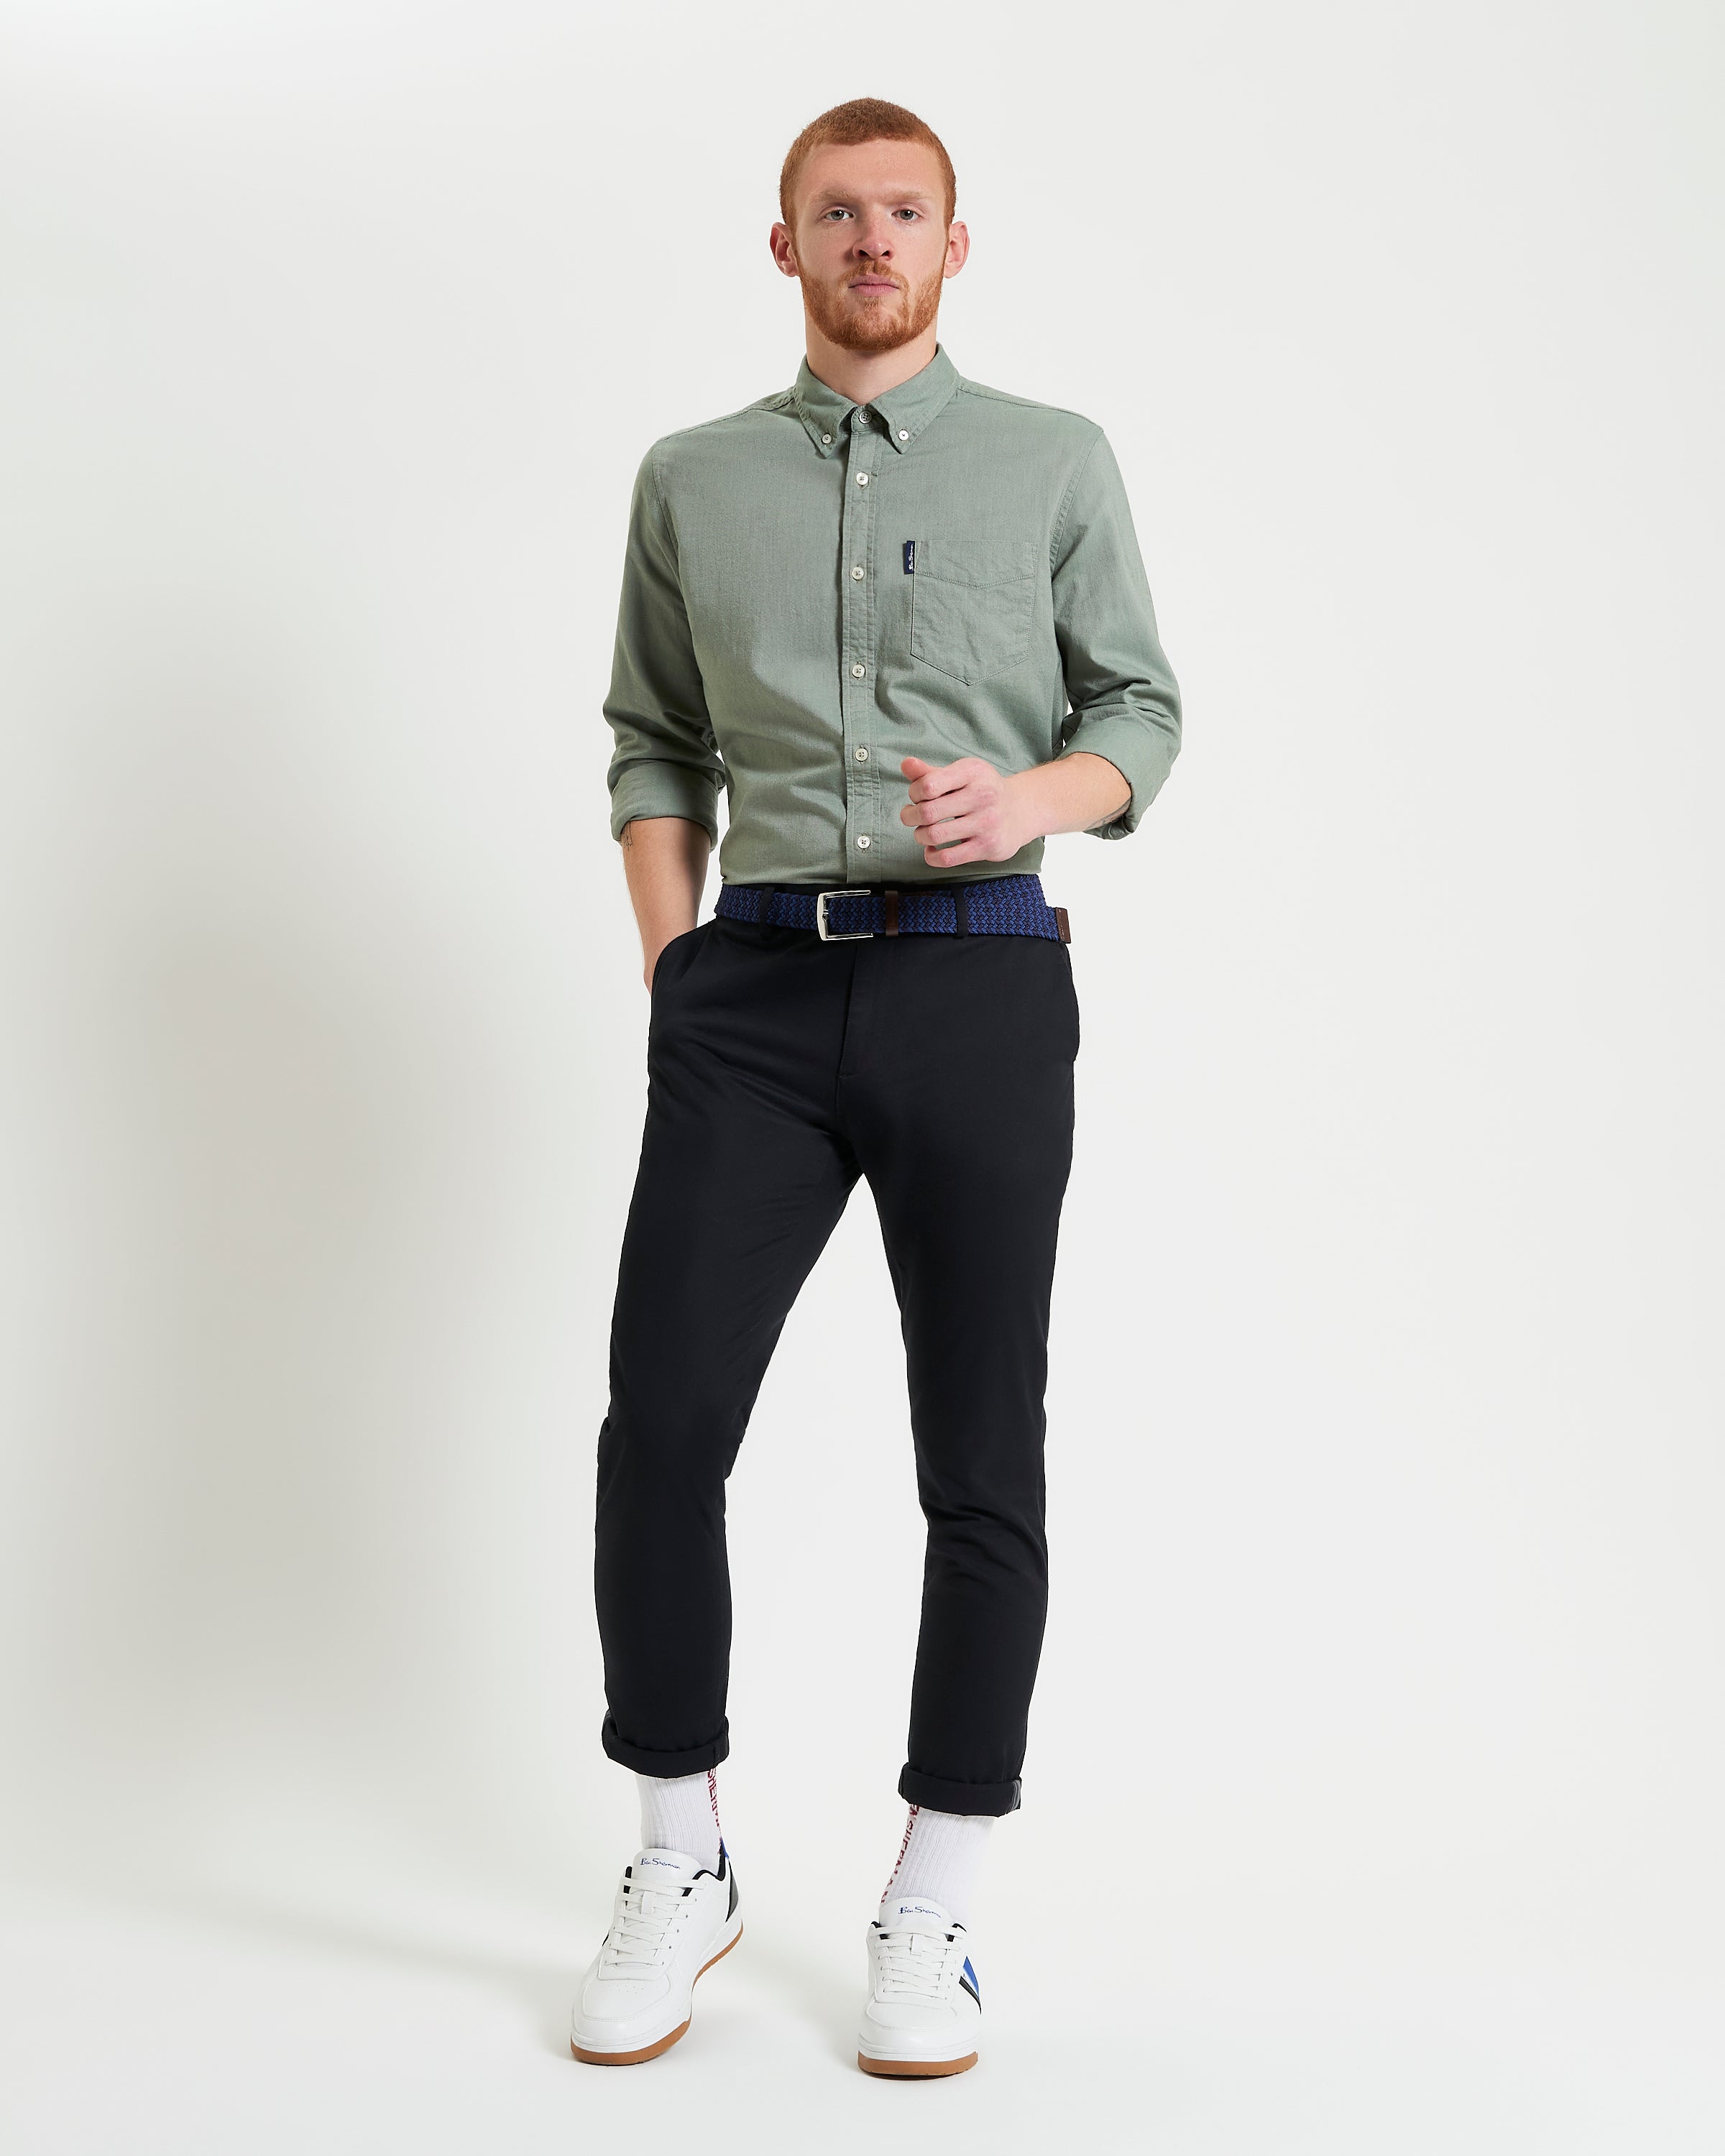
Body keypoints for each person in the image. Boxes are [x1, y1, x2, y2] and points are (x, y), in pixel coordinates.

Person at [569, 96, 1180, 2078]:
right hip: (748, 995)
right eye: (834, 213)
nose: (868, 240)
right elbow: (653, 740)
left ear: (952, 243)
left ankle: (938, 1899)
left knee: (978, 1450)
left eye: (902, 212)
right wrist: (677, 972)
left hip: (983, 984)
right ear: (784, 247)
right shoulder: (692, 480)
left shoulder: (1053, 461)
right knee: (663, 1418)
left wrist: (1033, 799)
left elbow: (1141, 711)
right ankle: (680, 1858)